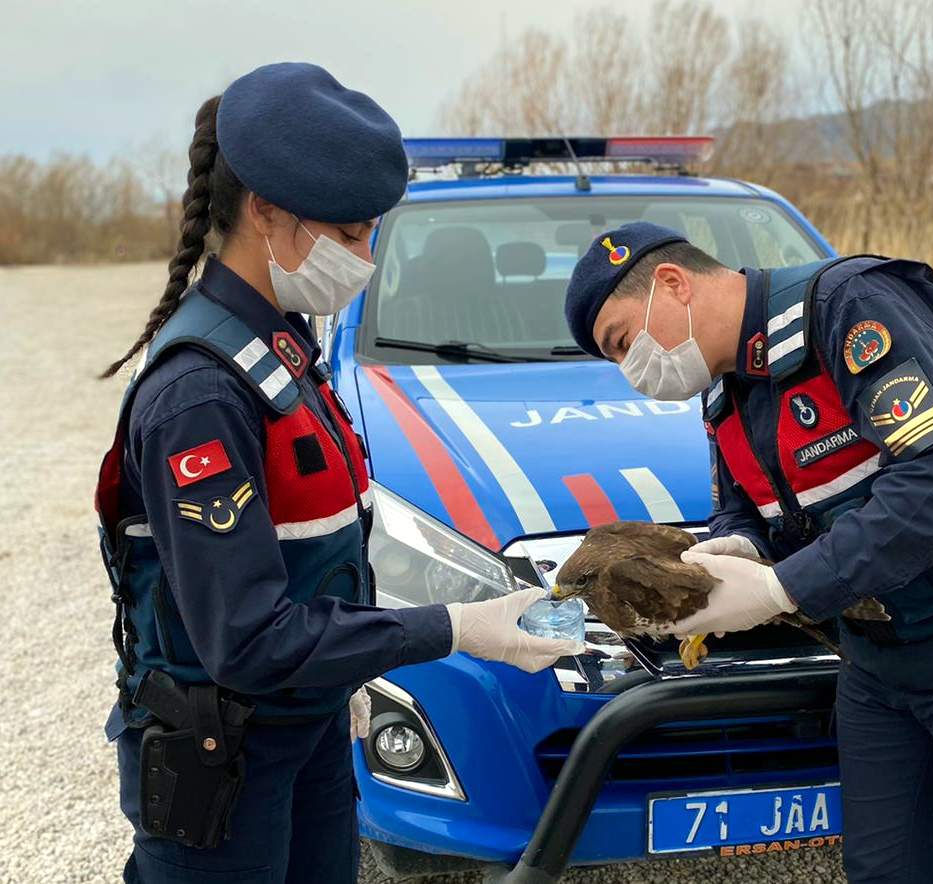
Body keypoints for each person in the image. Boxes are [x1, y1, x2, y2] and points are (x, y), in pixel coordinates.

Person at [94, 62, 579, 884]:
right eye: (350, 235)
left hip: (305, 725)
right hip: (226, 763)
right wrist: (456, 627)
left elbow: (320, 543)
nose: (365, 254)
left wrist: (346, 669)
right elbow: (246, 638)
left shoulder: (283, 347)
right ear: (267, 213)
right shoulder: (200, 394)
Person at [563, 221, 933, 883]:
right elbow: (754, 504)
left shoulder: (850, 310)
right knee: (883, 868)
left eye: (624, 342)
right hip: (878, 661)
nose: (633, 371)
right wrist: (736, 548)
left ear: (673, 284)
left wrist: (780, 589)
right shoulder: (724, 390)